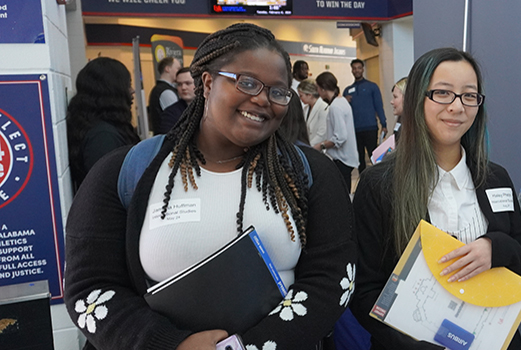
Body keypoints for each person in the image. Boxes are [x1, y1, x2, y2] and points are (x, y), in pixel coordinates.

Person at [63, 23, 356, 350]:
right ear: (207, 82)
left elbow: (332, 281)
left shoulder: (309, 173)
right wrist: (171, 345)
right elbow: (89, 286)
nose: (262, 99)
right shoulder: (125, 171)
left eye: (277, 91)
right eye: (247, 83)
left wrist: (248, 347)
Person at [350, 47, 521, 350]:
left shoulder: (495, 178)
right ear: (416, 99)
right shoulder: (379, 184)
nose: (457, 107)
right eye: (443, 93)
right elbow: (365, 291)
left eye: (469, 95)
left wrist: (494, 247)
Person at [67, 57, 141, 192]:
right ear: (112, 90)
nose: (132, 90)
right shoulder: (103, 137)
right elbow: (107, 190)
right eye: (127, 84)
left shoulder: (100, 128)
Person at [315, 71, 359, 191]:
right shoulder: (342, 101)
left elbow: (341, 137)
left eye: (318, 88)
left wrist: (321, 145)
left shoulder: (335, 107)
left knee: (342, 193)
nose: (317, 92)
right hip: (346, 157)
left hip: (342, 159)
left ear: (323, 89)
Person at [343, 59, 388, 174]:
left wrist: (384, 123)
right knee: (359, 159)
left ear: (363, 69)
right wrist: (344, 101)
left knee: (374, 156)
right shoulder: (347, 91)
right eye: (354, 68)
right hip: (354, 130)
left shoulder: (372, 87)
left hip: (370, 127)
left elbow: (379, 106)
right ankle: (362, 181)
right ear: (351, 70)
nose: (357, 70)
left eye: (359, 67)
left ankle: (377, 179)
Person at [148, 56, 182, 135]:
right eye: (177, 68)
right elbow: (176, 119)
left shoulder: (158, 89)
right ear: (167, 69)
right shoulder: (166, 92)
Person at [158, 67, 194, 135]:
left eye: (188, 83)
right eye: (179, 84)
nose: (183, 88)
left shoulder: (211, 108)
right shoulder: (170, 113)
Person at [298, 79, 329, 148]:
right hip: (308, 145)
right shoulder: (306, 108)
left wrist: (309, 146)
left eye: (301, 96)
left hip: (318, 147)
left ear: (309, 95)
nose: (300, 99)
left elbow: (322, 133)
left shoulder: (323, 108)